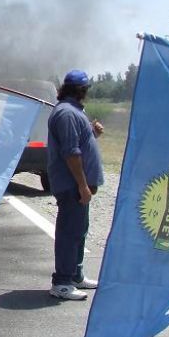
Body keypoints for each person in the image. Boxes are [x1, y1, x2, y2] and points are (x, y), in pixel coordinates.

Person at [46, 70, 105, 301]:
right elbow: (71, 153)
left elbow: (79, 143)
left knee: (79, 231)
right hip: (72, 185)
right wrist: (82, 185)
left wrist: (92, 133)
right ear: (82, 90)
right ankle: (62, 283)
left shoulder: (72, 112)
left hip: (77, 186)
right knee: (69, 233)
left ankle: (75, 275)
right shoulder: (67, 114)